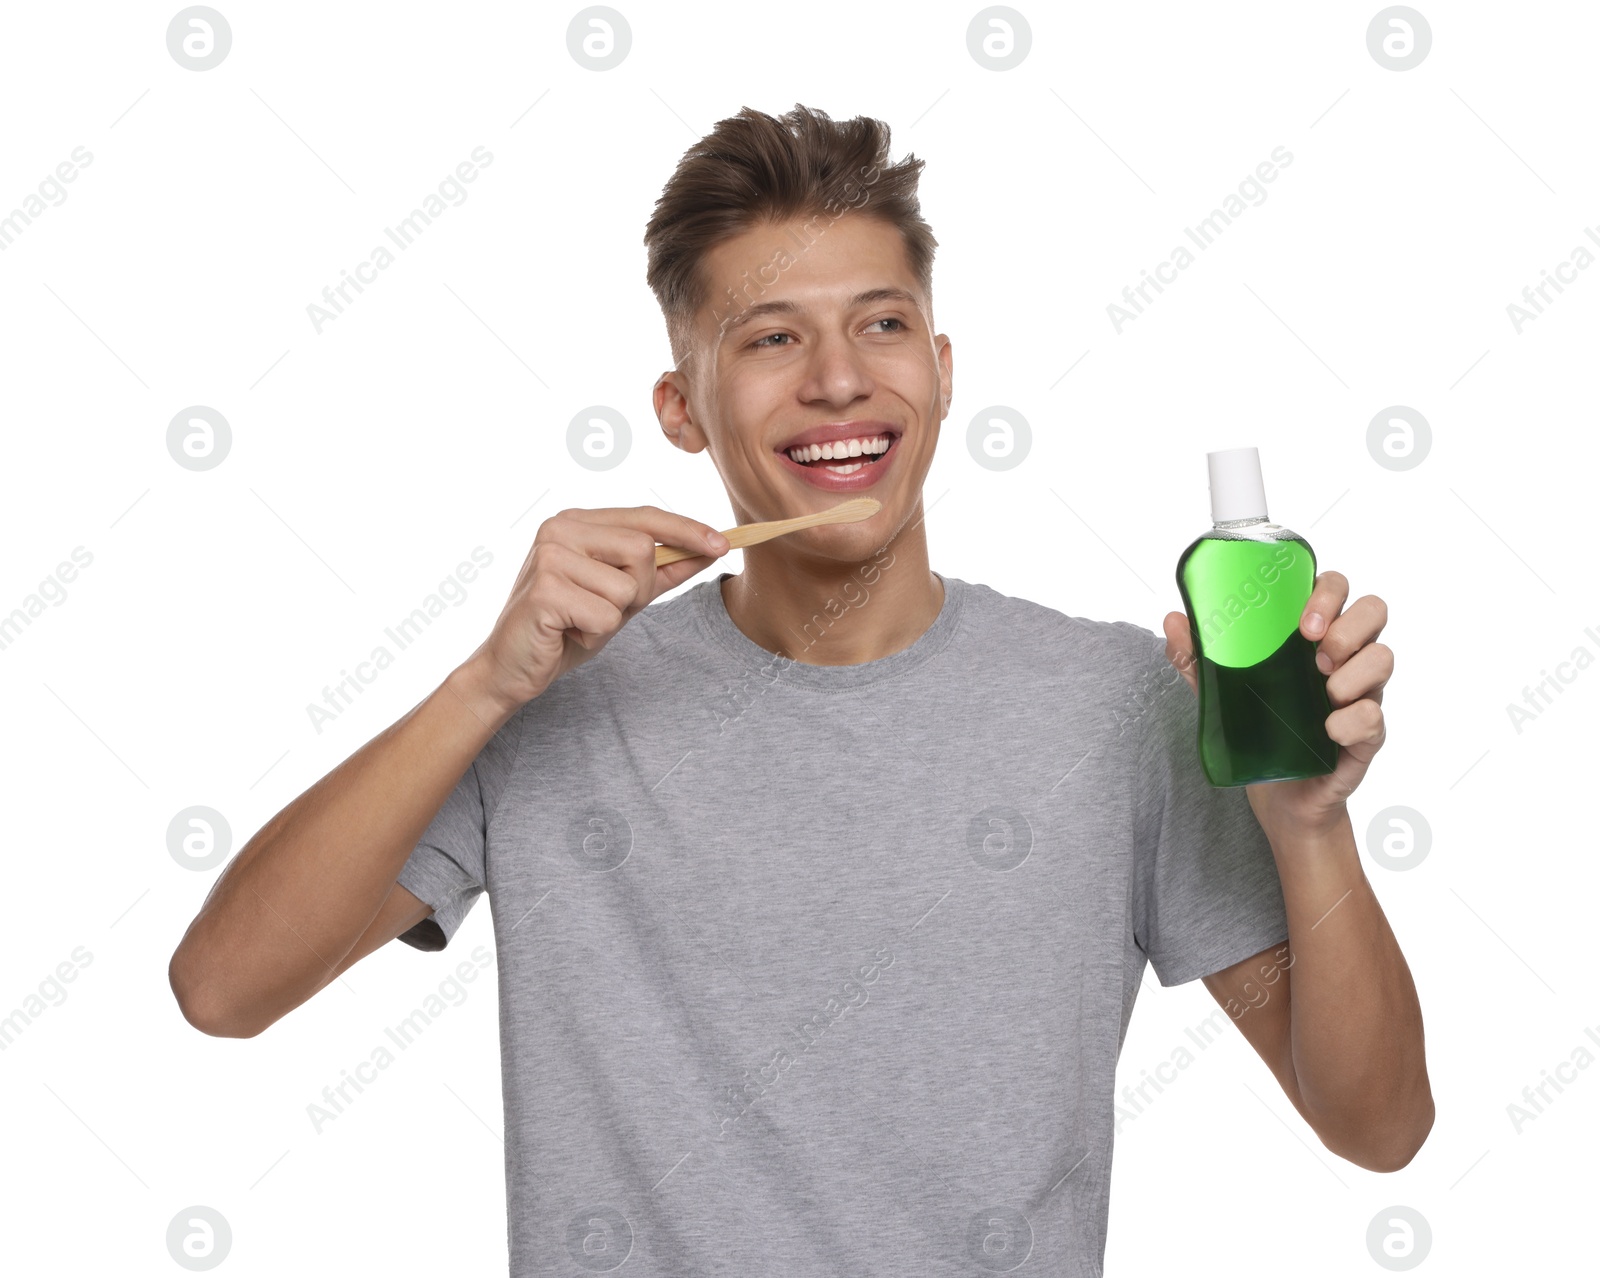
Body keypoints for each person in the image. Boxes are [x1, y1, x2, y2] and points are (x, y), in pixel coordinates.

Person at [168, 103, 1432, 1275]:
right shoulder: (552, 702)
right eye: (771, 339)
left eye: (880, 324)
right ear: (681, 408)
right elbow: (224, 991)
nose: (838, 378)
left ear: (940, 369)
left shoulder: (1116, 705)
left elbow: (1375, 1129)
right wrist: (482, 688)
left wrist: (1310, 827)